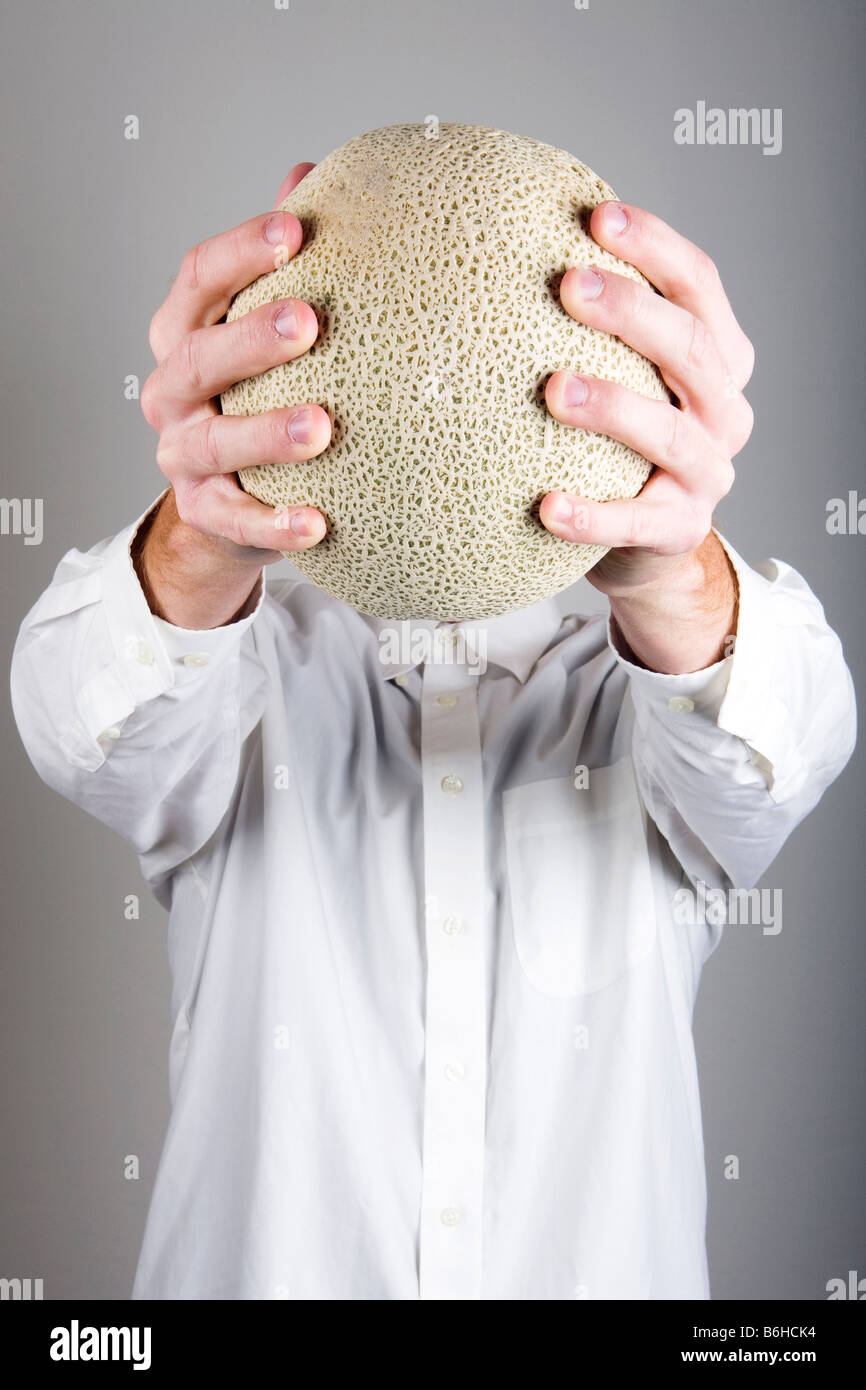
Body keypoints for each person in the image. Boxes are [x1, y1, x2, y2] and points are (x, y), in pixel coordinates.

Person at [10, 162, 855, 1300]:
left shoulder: (664, 713)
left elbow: (787, 739)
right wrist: (199, 534)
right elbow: (74, 711)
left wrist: (678, 572)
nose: (446, 388)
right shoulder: (240, 684)